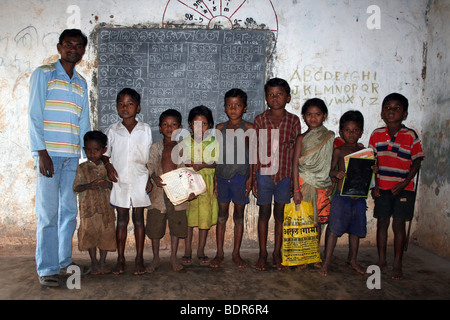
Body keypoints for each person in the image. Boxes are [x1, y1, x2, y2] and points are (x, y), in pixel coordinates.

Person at [28, 29, 91, 287]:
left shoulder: (81, 83)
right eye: (68, 45)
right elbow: (33, 115)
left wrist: (88, 154)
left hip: (71, 157)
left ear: (83, 51)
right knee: (47, 213)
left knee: (68, 211)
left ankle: (64, 261)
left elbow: (84, 120)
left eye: (78, 46)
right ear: (59, 47)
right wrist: (40, 152)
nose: (73, 49)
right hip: (49, 156)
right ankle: (47, 268)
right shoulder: (43, 74)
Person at [369, 93, 424, 280]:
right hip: (382, 187)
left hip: (403, 189)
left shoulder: (410, 135)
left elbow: (417, 162)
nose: (391, 111)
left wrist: (405, 182)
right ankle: (382, 260)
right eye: (387, 108)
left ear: (405, 113)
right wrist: (374, 186)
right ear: (382, 112)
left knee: (399, 225)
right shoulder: (376, 134)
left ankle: (397, 263)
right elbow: (371, 162)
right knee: (382, 223)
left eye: (396, 108)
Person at [103, 88, 153, 275]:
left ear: (138, 107)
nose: (125, 107)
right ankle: (121, 259)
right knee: (122, 220)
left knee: (139, 219)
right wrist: (108, 166)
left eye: (130, 104)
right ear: (117, 107)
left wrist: (150, 177)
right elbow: (105, 155)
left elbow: (148, 158)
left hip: (140, 179)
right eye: (121, 104)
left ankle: (139, 259)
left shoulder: (145, 129)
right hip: (120, 180)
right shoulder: (112, 130)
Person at [253, 78, 301, 271]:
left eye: (279, 94)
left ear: (288, 97)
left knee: (280, 215)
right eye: (271, 94)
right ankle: (263, 253)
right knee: (264, 213)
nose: (275, 98)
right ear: (266, 97)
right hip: (264, 174)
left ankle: (276, 252)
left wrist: (294, 181)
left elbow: (297, 152)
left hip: (285, 175)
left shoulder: (294, 121)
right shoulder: (260, 120)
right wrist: (254, 177)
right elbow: (255, 149)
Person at [319, 111, 368, 276]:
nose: (352, 134)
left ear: (361, 132)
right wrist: (336, 174)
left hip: (359, 197)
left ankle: (352, 260)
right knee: (333, 229)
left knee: (356, 230)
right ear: (341, 132)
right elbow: (329, 170)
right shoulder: (339, 151)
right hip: (341, 196)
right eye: (347, 130)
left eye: (355, 130)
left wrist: (374, 169)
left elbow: (370, 176)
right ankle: (327, 261)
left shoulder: (365, 152)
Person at [211, 89, 255, 268]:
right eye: (229, 105)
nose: (233, 109)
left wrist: (251, 179)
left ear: (244, 108)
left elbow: (252, 156)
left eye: (237, 105)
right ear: (224, 107)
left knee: (238, 215)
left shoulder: (249, 128)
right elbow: (216, 157)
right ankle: (220, 252)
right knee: (221, 215)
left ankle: (236, 253)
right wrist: (214, 180)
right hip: (222, 177)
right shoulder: (220, 128)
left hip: (240, 177)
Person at [146, 109, 192, 272]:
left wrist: (189, 190)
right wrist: (153, 177)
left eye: (173, 125)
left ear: (179, 128)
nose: (169, 128)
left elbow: (186, 170)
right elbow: (150, 166)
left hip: (177, 195)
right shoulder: (155, 147)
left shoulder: (182, 148)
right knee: (155, 228)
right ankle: (156, 258)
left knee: (176, 227)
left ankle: (173, 257)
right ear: (159, 128)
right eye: (165, 124)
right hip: (158, 196)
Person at [292, 98, 334, 269]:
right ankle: (303, 255)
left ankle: (314, 254)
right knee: (305, 221)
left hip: (322, 184)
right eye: (309, 114)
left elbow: (330, 162)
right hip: (303, 183)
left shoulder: (329, 137)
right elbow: (295, 164)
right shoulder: (301, 138)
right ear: (303, 116)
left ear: (324, 116)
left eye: (317, 114)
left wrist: (332, 181)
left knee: (319, 222)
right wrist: (295, 189)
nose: (313, 118)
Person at [181, 105, 219, 267]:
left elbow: (216, 162)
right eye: (196, 124)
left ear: (209, 125)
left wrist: (203, 165)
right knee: (189, 219)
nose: (200, 128)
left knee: (204, 218)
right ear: (190, 124)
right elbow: (180, 162)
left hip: (207, 186)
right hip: (189, 186)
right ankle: (187, 250)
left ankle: (201, 250)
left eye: (204, 124)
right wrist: (190, 164)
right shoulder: (184, 142)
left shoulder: (213, 142)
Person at [73, 131, 116, 275]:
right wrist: (88, 186)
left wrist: (107, 185)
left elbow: (115, 185)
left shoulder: (108, 168)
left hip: (106, 210)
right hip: (88, 210)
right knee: (90, 236)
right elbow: (76, 187)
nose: (92, 153)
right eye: (88, 150)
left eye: (96, 150)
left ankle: (103, 262)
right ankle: (94, 262)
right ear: (84, 150)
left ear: (103, 150)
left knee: (106, 236)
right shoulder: (82, 168)